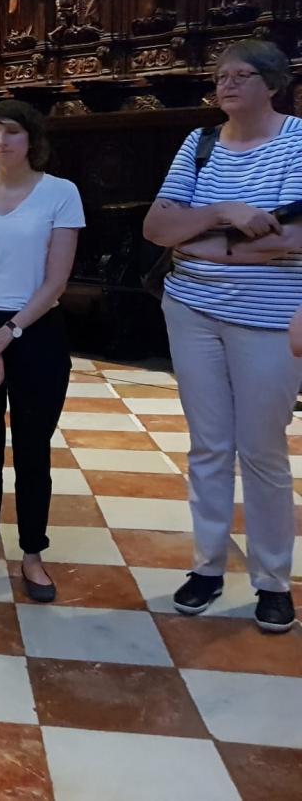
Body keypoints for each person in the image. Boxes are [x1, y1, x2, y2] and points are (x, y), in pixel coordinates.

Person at [143, 39, 302, 633]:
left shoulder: (297, 142)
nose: (226, 84)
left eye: (241, 75)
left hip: (271, 318)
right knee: (209, 445)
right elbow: (159, 226)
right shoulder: (201, 142)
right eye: (221, 76)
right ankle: (207, 566)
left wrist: (212, 246)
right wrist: (224, 212)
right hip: (192, 310)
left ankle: (272, 581)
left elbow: (294, 239)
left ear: (273, 84)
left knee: (262, 449)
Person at [0, 99, 83, 603]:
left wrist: (12, 332)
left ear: (31, 138)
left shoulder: (60, 193)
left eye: (9, 133)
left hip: (37, 332)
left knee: (33, 450)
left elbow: (56, 279)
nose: (0, 143)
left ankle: (32, 554)